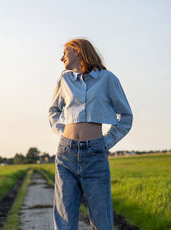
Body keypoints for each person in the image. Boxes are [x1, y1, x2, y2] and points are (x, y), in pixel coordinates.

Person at [48, 38, 133, 230]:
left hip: (95, 155)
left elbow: (126, 115)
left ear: (77, 51)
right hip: (66, 155)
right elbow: (53, 112)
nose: (62, 58)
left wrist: (107, 141)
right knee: (64, 221)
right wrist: (64, 133)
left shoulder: (107, 79)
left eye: (65, 52)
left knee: (102, 222)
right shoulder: (64, 80)